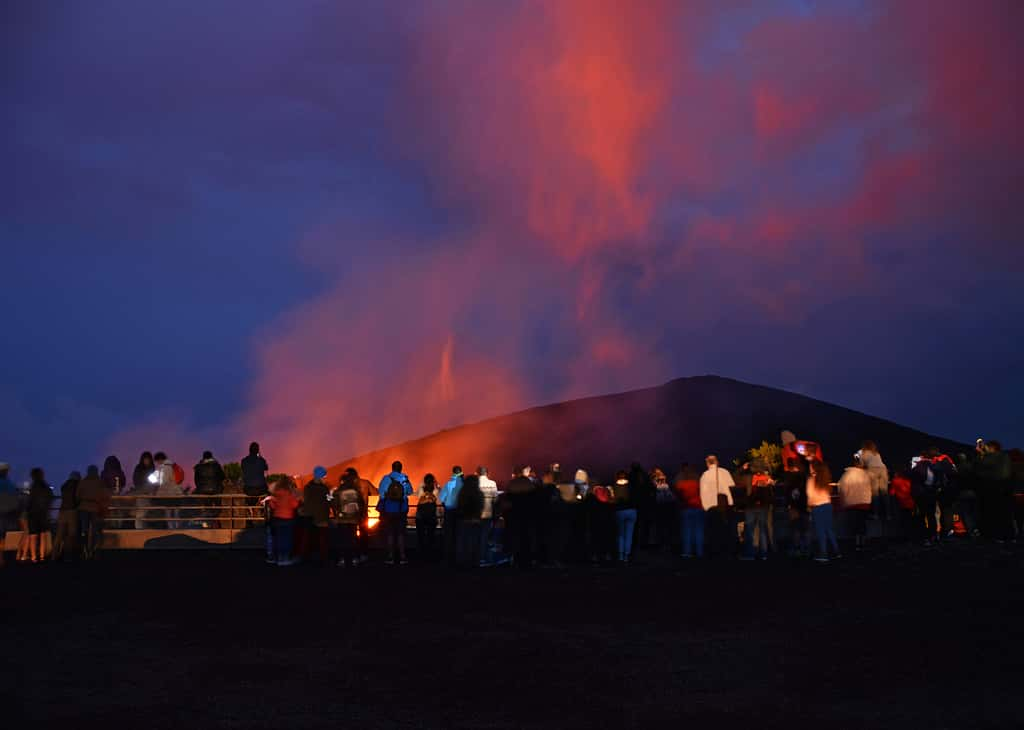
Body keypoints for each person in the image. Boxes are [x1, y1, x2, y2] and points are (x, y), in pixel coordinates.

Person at [976, 440, 1013, 541]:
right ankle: (1004, 535)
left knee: (994, 513)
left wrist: (982, 455)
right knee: (1002, 513)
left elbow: (981, 467)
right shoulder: (1004, 456)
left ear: (992, 447)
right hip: (1001, 487)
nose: (985, 448)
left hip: (994, 487)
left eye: (987, 447)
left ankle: (996, 535)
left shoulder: (995, 457)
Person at [699, 455, 735, 557]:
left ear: (707, 463)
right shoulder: (725, 472)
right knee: (726, 532)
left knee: (714, 533)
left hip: (711, 509)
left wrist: (705, 508)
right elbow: (732, 489)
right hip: (726, 508)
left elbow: (703, 493)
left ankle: (715, 553)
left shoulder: (704, 475)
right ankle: (728, 552)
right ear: (717, 462)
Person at [378, 461, 412, 565]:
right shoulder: (404, 478)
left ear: (392, 468)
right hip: (401, 509)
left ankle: (390, 557)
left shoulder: (386, 478)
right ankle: (402, 557)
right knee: (401, 534)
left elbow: (381, 494)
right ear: (401, 468)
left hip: (388, 510)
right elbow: (410, 491)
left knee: (390, 534)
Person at [504, 466, 538, 567]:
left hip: (514, 516)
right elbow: (534, 501)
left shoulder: (512, 483)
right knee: (527, 538)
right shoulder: (529, 484)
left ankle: (515, 559)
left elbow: (507, 501)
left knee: (515, 537)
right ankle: (527, 560)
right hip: (527, 516)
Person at [341, 467, 376, 563]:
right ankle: (363, 554)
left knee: (351, 536)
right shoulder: (365, 483)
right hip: (363, 513)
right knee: (364, 534)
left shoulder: (348, 485)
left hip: (351, 514)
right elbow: (375, 493)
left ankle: (352, 556)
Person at [838, 456, 872, 552]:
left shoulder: (846, 475)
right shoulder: (865, 475)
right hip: (865, 503)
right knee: (862, 524)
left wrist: (843, 501)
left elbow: (842, 489)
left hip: (852, 503)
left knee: (855, 525)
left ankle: (857, 544)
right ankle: (863, 543)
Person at [807, 459, 839, 562]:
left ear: (813, 467)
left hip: (817, 507)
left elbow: (810, 495)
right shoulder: (825, 479)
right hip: (828, 506)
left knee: (820, 531)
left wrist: (809, 506)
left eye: (811, 466)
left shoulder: (811, 480)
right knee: (829, 530)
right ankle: (836, 551)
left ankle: (823, 554)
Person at [77, 465, 111, 559]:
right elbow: (104, 496)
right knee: (96, 530)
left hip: (83, 508)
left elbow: (78, 495)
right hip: (95, 508)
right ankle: (94, 550)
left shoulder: (83, 482)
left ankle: (84, 550)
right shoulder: (100, 482)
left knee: (84, 530)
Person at [332, 472, 365, 568]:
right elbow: (361, 504)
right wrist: (359, 516)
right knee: (353, 539)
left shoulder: (338, 491)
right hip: (354, 519)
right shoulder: (356, 491)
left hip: (342, 519)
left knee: (342, 539)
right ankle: (354, 558)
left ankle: (342, 559)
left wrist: (336, 515)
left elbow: (334, 504)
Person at [743, 461, 774, 560]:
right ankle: (764, 553)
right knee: (763, 530)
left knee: (750, 530)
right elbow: (772, 487)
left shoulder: (749, 477)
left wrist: (743, 469)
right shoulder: (767, 478)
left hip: (751, 506)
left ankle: (749, 554)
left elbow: (747, 492)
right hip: (763, 506)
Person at [300, 467, 331, 565]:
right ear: (320, 476)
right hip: (322, 517)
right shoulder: (325, 488)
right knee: (323, 540)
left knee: (308, 539)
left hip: (309, 517)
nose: (325, 478)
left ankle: (306, 559)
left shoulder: (307, 487)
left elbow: (305, 501)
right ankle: (323, 559)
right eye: (324, 476)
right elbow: (329, 501)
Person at [268, 478, 299, 566]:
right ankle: (285, 559)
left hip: (277, 519)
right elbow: (295, 505)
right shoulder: (289, 494)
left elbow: (272, 505)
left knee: (279, 539)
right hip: (288, 519)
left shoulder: (276, 494)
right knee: (287, 539)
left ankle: (279, 558)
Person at [675, 464, 704, 558]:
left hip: (686, 508)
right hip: (698, 507)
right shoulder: (697, 480)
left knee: (686, 531)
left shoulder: (679, 481)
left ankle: (687, 552)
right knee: (698, 531)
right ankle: (699, 552)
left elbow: (677, 494)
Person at [456, 474, 484, 568]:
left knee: (463, 541)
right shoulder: (479, 494)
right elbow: (481, 507)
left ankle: (463, 561)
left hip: (464, 520)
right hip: (476, 520)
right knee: (475, 541)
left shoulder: (462, 494)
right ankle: (474, 561)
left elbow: (459, 507)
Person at [26, 468, 53, 563]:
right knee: (42, 535)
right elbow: (51, 498)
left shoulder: (33, 487)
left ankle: (33, 557)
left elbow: (29, 501)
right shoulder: (45, 486)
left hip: (33, 514)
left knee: (33, 536)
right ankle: (42, 556)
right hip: (43, 514)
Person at [438, 466, 464, 565]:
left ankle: (448, 557)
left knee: (448, 534)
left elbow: (441, 498)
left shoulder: (448, 484)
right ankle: (459, 556)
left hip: (449, 512)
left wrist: (446, 505)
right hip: (460, 512)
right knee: (459, 534)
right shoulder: (464, 484)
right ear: (461, 472)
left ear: (452, 472)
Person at [193, 450, 226, 527]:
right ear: (211, 457)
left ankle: (207, 524)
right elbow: (222, 477)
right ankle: (216, 522)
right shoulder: (216, 465)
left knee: (207, 508)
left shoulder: (198, 467)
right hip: (216, 490)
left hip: (203, 491)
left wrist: (200, 488)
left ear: (203, 457)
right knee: (217, 507)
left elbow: (196, 480)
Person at [859, 441, 890, 523]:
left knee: (875, 494)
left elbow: (861, 465)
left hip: (872, 470)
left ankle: (876, 515)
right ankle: (888, 515)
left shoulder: (863, 453)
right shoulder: (876, 453)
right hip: (883, 469)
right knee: (884, 493)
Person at [52, 471, 80, 561]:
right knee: (71, 534)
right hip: (72, 511)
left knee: (59, 534)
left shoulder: (64, 485)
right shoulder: (77, 485)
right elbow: (78, 498)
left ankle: (54, 555)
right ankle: (68, 555)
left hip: (62, 511)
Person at [151, 452, 182, 528]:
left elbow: (163, 481)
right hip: (176, 492)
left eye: (157, 461)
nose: (156, 463)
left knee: (168, 512)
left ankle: (171, 530)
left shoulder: (164, 468)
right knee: (176, 512)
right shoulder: (172, 465)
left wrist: (155, 483)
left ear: (160, 460)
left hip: (168, 493)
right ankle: (178, 529)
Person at [612, 470, 638, 563]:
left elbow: (613, 499)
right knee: (629, 535)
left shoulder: (614, 486)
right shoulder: (631, 486)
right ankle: (627, 555)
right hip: (631, 511)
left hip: (620, 511)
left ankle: (620, 555)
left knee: (620, 535)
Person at [628, 462, 655, 550]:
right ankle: (644, 543)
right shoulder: (645, 477)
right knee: (644, 525)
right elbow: (652, 488)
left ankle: (634, 544)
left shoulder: (630, 476)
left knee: (635, 525)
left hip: (634, 504)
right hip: (645, 504)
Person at [415, 474, 440, 562]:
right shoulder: (435, 490)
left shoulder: (421, 489)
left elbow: (418, 497)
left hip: (420, 516)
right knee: (431, 535)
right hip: (431, 516)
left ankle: (421, 555)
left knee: (420, 535)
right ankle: (430, 555)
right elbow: (436, 498)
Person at [477, 466, 499, 565]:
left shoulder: (474, 483)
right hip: (488, 513)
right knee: (485, 536)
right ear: (487, 473)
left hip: (476, 514)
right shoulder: (492, 483)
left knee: (476, 535)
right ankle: (483, 558)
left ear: (477, 473)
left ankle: (476, 557)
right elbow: (496, 499)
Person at [652, 468, 677, 552]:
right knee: (665, 528)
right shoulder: (665, 487)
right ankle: (666, 545)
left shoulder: (661, 488)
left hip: (662, 508)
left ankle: (664, 545)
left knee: (662, 528)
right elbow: (672, 498)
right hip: (665, 508)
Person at [0, 463, 20, 568]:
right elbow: (15, 501)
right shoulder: (10, 485)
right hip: (8, 514)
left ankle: (2, 559)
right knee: (5, 537)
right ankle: (5, 559)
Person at [130, 451, 156, 529]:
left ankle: (143, 528)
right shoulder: (138, 468)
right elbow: (136, 480)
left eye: (148, 459)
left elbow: (154, 481)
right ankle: (138, 528)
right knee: (141, 511)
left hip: (149, 493)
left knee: (146, 512)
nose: (147, 461)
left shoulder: (152, 468)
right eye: (145, 459)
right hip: (141, 492)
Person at [889, 470, 916, 540]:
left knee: (901, 521)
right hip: (910, 504)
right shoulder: (909, 481)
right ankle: (910, 537)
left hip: (900, 504)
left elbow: (892, 493)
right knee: (909, 520)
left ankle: (902, 537)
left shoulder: (895, 481)